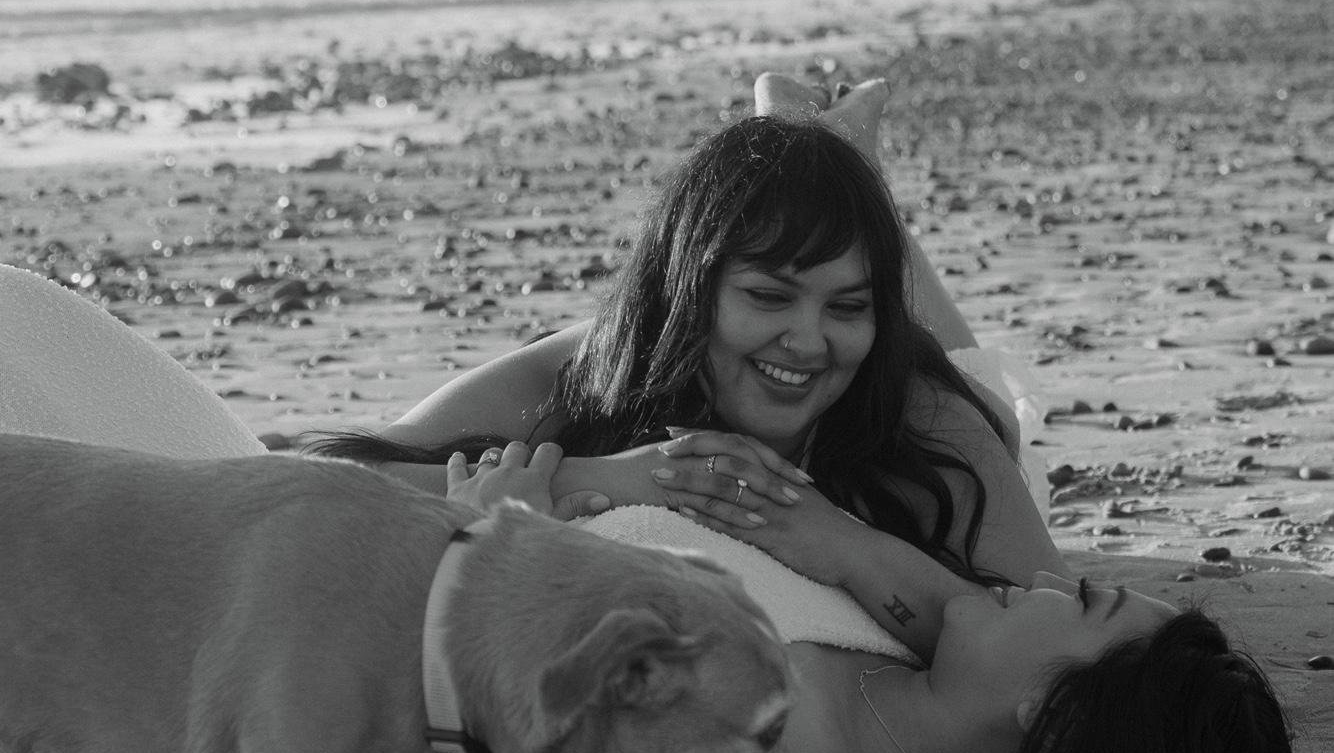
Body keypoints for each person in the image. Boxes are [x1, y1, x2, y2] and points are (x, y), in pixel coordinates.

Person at [307, 73, 1068, 649]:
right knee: (832, 240)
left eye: (847, 308)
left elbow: (1061, 630)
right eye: (768, 296)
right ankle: (816, 157)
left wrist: (844, 545)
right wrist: (615, 478)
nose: (807, 340)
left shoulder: (924, 413)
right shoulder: (588, 370)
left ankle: (843, 157)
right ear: (688, 291)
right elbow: (321, 481)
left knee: (978, 380)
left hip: (945, 395)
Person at [449, 442, 1300, 753]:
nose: (1043, 579)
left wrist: (481, 549)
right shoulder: (917, 651)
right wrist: (843, 539)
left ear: (1058, 714)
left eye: (1080, 601)